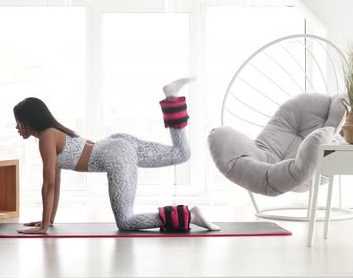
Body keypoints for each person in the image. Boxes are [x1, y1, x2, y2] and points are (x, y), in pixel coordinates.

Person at [14, 78, 220, 234]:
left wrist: (43, 227)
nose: (17, 127)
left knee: (126, 222)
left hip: (116, 155)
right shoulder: (54, 134)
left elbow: (48, 184)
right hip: (118, 144)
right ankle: (172, 98)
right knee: (181, 153)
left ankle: (189, 216)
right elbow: (56, 184)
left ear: (28, 120)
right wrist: (47, 222)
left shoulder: (46, 138)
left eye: (18, 122)